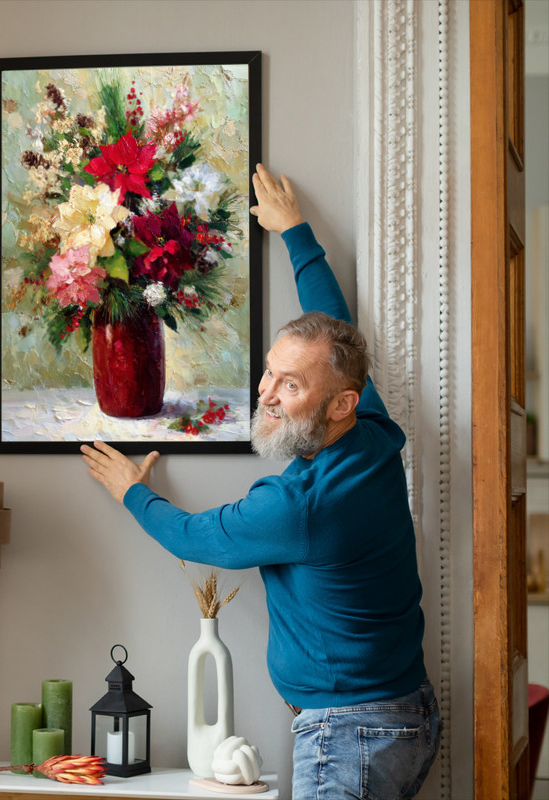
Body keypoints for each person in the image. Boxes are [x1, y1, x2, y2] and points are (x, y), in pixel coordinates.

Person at [80, 164, 441, 799]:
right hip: (400, 717)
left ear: (339, 405)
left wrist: (131, 490)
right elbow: (333, 330)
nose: (266, 395)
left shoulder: (299, 506)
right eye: (270, 373)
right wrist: (296, 232)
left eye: (289, 386)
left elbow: (197, 537)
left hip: (351, 737)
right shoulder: (374, 437)